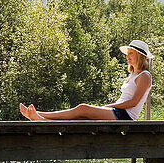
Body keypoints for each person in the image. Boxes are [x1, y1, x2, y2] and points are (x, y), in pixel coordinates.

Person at [19, 40, 153, 122]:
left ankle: (40, 114)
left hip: (125, 116)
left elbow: (133, 102)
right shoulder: (133, 74)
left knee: (83, 108)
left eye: (131, 54)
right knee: (81, 117)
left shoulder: (144, 76)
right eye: (127, 53)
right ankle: (42, 120)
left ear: (140, 56)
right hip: (117, 112)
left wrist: (108, 106)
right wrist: (111, 107)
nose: (127, 57)